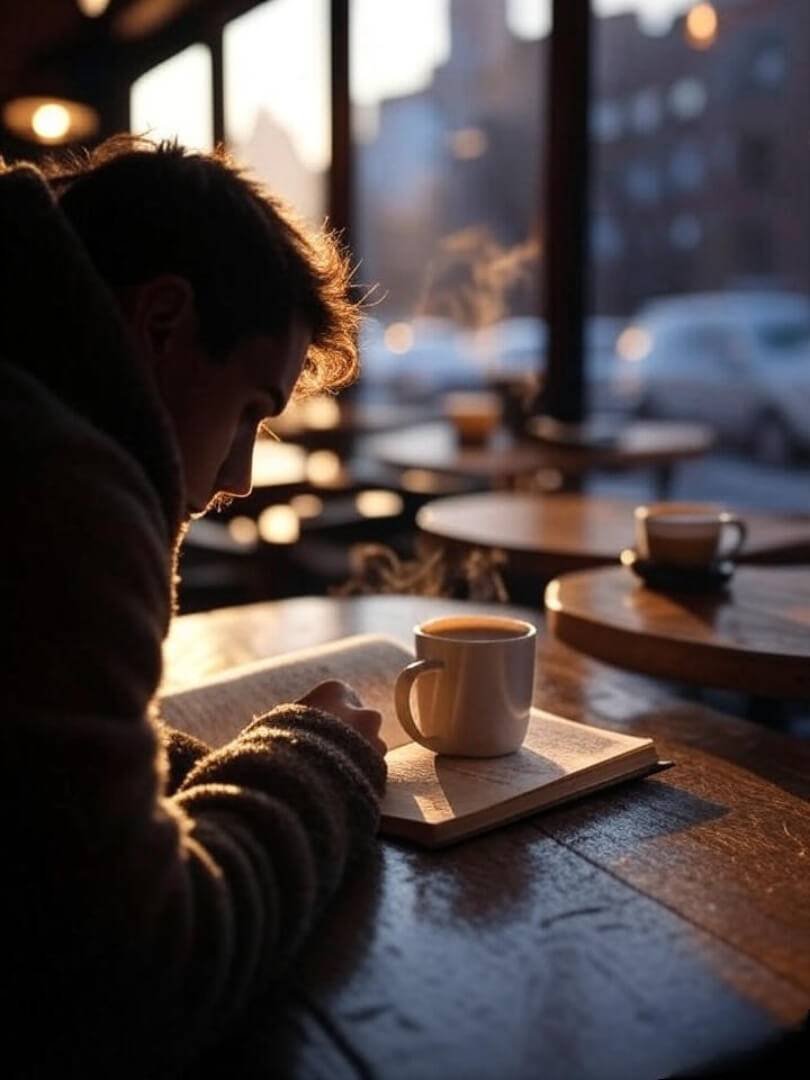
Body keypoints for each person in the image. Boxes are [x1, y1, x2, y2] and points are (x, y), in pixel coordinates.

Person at [0, 135, 386, 1078]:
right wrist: (319, 754)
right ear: (163, 322)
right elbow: (137, 975)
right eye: (250, 409)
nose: (240, 478)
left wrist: (161, 762)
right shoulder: (62, 486)